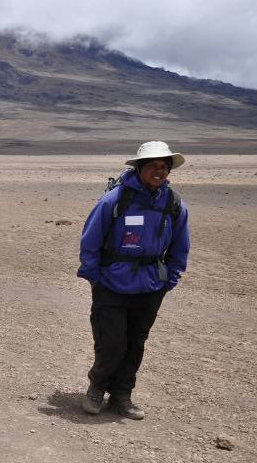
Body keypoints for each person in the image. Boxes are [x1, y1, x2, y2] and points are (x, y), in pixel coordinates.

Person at [78, 140, 190, 420]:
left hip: (151, 286)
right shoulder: (115, 200)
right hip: (112, 284)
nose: (158, 171)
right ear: (140, 168)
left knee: (135, 343)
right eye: (152, 165)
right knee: (111, 342)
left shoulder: (174, 204)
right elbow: (90, 242)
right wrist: (96, 279)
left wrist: (170, 279)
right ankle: (97, 388)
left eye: (164, 166)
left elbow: (180, 247)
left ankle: (122, 395)